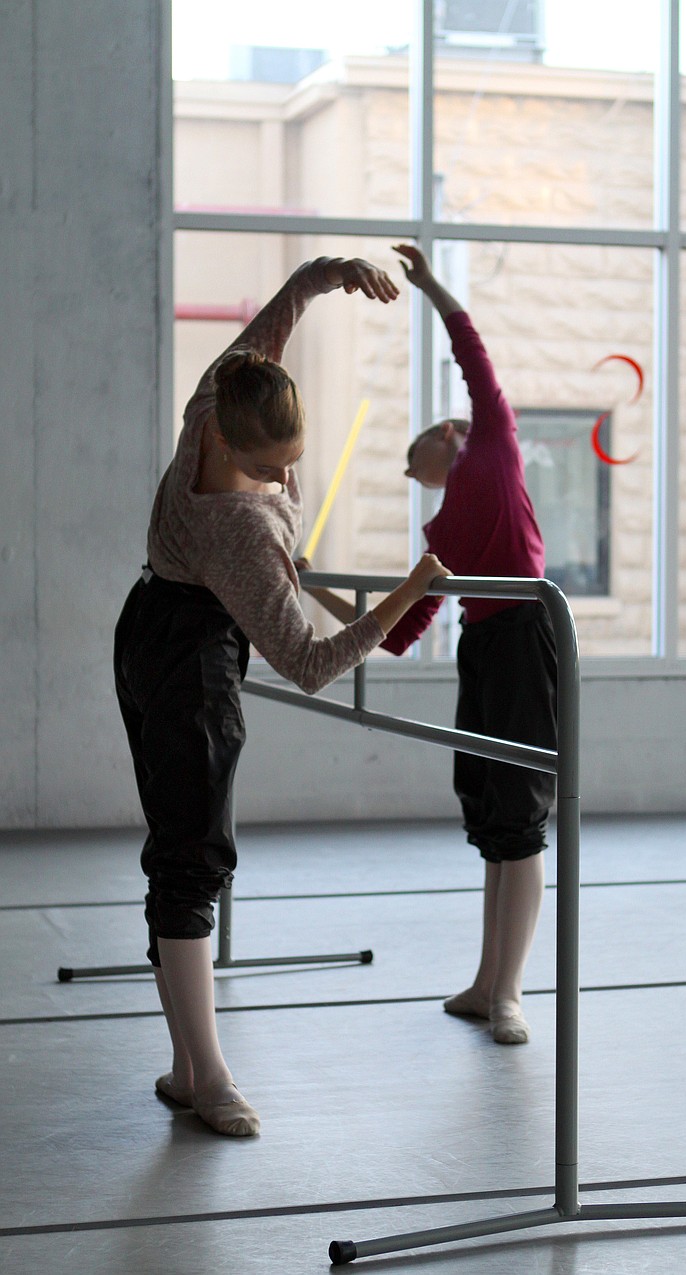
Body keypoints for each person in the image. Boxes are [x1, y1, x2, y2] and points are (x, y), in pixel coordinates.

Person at [114, 255, 450, 1137]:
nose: (280, 480)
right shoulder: (241, 528)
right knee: (192, 862)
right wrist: (411, 594)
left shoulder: (213, 403)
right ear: (230, 444)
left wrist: (323, 277)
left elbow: (267, 335)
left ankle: (190, 1069)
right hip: (189, 663)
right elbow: (309, 661)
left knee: (177, 846)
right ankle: (213, 1075)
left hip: (144, 624)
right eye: (272, 466)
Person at [304, 244, 556, 1045]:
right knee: (489, 818)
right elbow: (398, 632)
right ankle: (487, 983)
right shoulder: (441, 530)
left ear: (448, 437)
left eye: (419, 466)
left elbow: (470, 349)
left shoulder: (494, 446)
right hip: (483, 650)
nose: (422, 483)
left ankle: (509, 992)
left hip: (525, 639)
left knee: (520, 817)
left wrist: (431, 285)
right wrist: (309, 584)